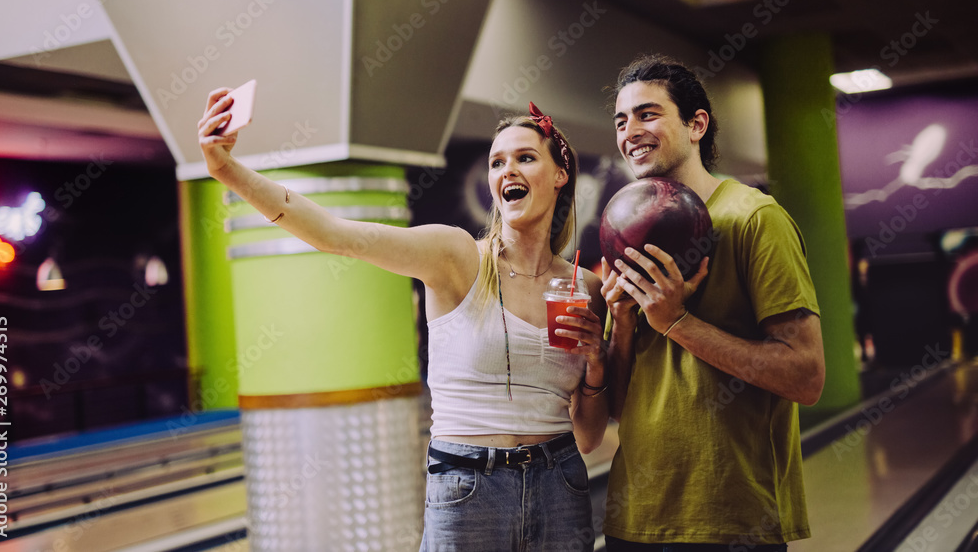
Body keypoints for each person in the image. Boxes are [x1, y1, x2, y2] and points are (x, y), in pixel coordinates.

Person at [198, 91, 609, 551]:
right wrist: (225, 169)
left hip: (561, 482)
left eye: (525, 158)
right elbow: (337, 235)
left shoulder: (584, 288)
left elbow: (590, 438)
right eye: (496, 163)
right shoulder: (456, 257)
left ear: (560, 175)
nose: (506, 171)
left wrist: (596, 363)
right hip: (471, 487)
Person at [600, 54, 826, 551]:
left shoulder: (754, 219)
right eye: (621, 120)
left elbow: (806, 376)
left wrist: (676, 321)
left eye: (647, 113)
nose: (630, 130)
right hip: (635, 517)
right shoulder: (625, 233)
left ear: (696, 124)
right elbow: (620, 407)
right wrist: (619, 322)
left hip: (732, 520)